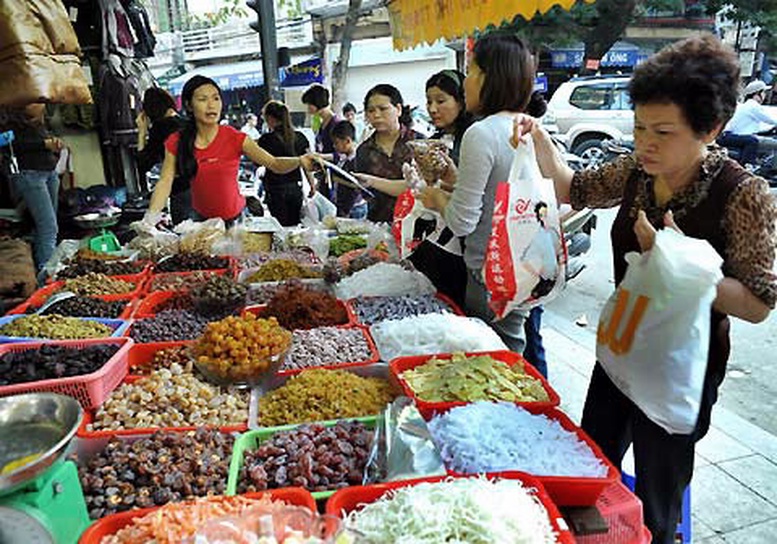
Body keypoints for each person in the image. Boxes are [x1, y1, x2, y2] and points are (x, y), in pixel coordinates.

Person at [516, 35, 776, 543]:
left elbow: (758, 303)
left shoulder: (744, 194)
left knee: (659, 491)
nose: (645, 143)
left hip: (681, 364)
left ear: (711, 129)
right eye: (638, 128)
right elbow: (574, 189)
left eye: (663, 132)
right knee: (590, 462)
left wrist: (674, 260)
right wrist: (539, 135)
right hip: (623, 343)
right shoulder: (637, 171)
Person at [419, 32, 537, 353]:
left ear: (488, 78)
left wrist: (436, 198)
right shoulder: (528, 125)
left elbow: (462, 222)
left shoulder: (481, 133)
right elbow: (498, 195)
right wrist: (456, 180)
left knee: (492, 361)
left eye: (470, 71)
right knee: (513, 351)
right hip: (526, 267)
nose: (466, 82)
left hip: (490, 272)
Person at [144, 76, 315, 227]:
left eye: (216, 98)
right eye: (202, 99)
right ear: (189, 105)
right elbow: (165, 181)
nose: (211, 105)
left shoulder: (235, 137)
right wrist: (149, 220)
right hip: (199, 223)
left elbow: (274, 163)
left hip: (236, 222)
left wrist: (299, 161)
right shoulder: (177, 140)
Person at [404, 69, 475, 308]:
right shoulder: (434, 141)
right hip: (438, 240)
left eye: (441, 101)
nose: (433, 109)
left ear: (461, 101)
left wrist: (439, 192)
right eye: (429, 101)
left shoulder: (473, 139)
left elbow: (471, 195)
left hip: (464, 246)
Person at [0, 104, 61, 273]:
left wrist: (53, 144)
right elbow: (5, 142)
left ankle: (43, 269)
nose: (41, 105)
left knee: (44, 227)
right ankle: (47, 274)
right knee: (48, 227)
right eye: (36, 102)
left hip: (49, 172)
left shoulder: (37, 122)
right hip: (30, 175)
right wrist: (43, 144)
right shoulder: (8, 120)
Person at [354, 84, 420, 223]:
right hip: (378, 224)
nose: (376, 115)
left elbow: (424, 187)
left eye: (383, 109)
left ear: (398, 109)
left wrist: (374, 182)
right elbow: (365, 193)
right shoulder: (363, 151)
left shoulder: (419, 143)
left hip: (417, 224)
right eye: (371, 110)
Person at [257, 100, 315, 226]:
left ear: (270, 118)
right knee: (294, 226)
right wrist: (312, 185)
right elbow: (308, 164)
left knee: (280, 227)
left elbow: (258, 163)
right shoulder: (300, 137)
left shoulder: (266, 140)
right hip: (295, 188)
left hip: (275, 189)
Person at [135, 87, 188, 223]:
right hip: (202, 189)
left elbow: (144, 163)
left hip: (181, 192)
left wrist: (142, 132)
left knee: (186, 234)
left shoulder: (160, 128)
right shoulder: (187, 123)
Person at [720, 80, 777, 169]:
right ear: (757, 94)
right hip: (738, 136)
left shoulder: (746, 105)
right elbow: (772, 120)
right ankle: (762, 168)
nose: (765, 95)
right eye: (763, 92)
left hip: (734, 135)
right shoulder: (753, 106)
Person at [328, 120, 367, 219]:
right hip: (346, 206)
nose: (334, 146)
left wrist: (337, 179)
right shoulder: (344, 157)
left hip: (353, 208)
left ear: (347, 141)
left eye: (336, 143)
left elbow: (358, 186)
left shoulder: (357, 160)